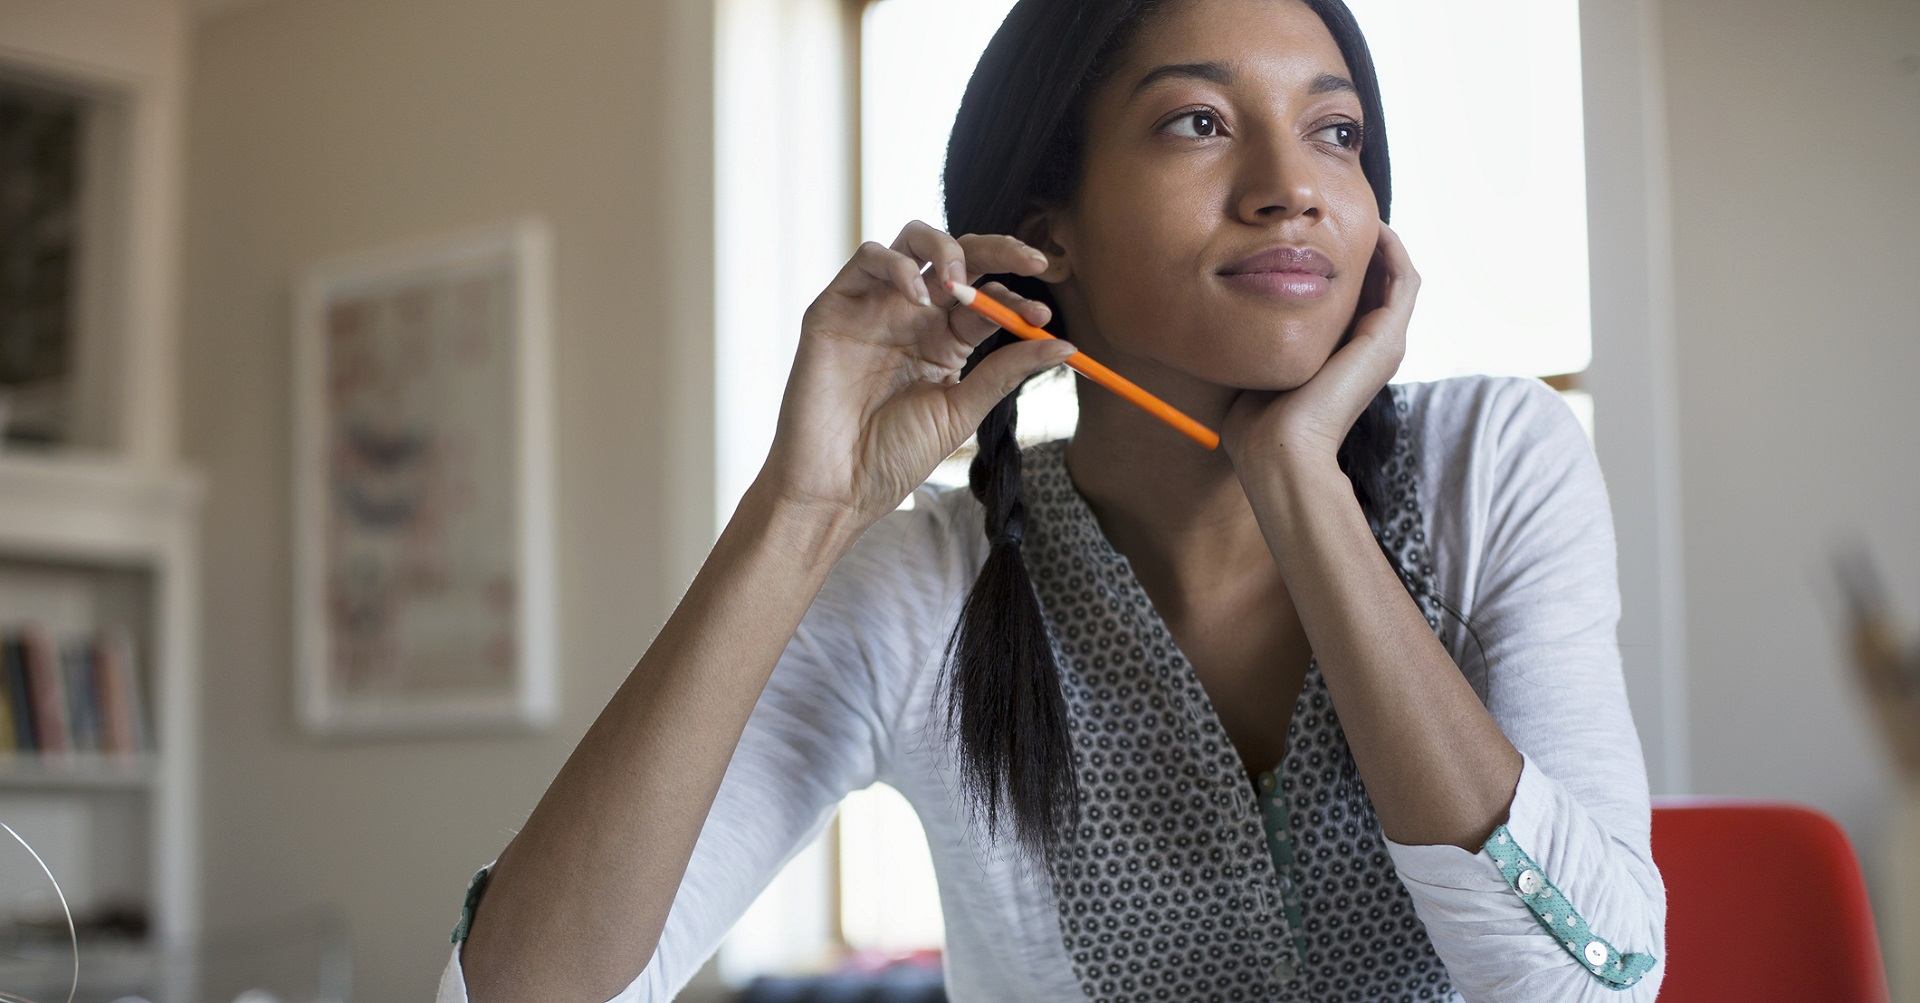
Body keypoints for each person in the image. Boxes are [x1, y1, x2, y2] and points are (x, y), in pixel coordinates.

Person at [441, 0, 1667, 999]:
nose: (1294, 185)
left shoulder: (1495, 463)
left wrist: (1299, 481)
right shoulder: (929, 590)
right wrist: (804, 507)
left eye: (1337, 133)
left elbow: (1595, 986)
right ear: (1047, 235)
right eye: (1198, 120)